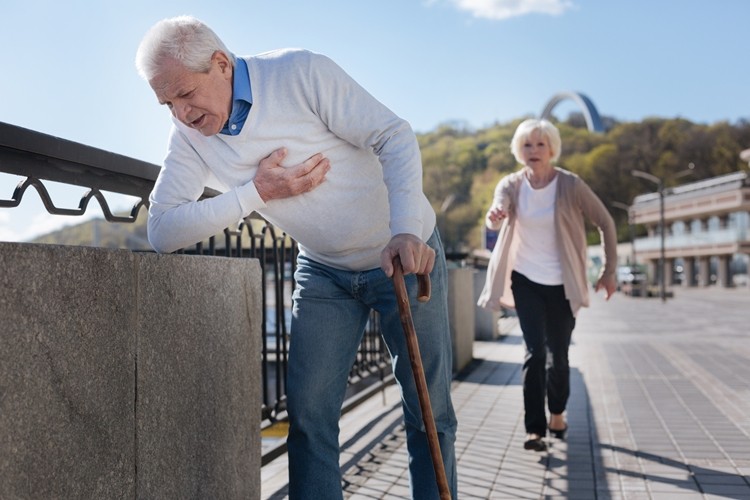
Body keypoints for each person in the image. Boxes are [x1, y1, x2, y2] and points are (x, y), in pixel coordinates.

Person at [135, 15, 457, 499]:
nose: (180, 114)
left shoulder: (299, 73)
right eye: (166, 104)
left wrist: (408, 229)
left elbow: (394, 135)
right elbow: (162, 230)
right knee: (308, 418)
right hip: (323, 272)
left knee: (428, 410)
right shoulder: (191, 137)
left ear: (220, 64)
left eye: (184, 95)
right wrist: (254, 193)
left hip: (404, 258)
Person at [477, 119, 617, 452]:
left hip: (562, 284)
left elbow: (606, 223)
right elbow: (497, 210)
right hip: (525, 280)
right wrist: (494, 216)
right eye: (527, 145)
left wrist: (609, 271)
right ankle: (534, 429)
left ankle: (557, 412)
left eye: (540, 144)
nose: (534, 151)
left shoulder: (570, 184)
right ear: (518, 150)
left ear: (551, 148)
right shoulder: (511, 184)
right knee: (534, 352)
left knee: (559, 355)